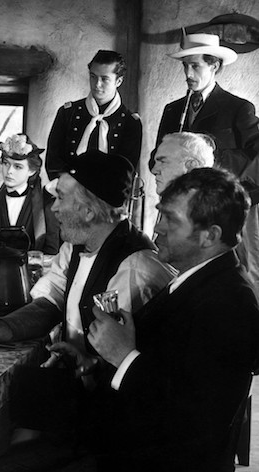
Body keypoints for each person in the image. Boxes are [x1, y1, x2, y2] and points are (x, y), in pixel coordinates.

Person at [0, 150, 175, 470]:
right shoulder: (76, 246)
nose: (53, 208)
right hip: (78, 390)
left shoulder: (136, 267)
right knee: (22, 395)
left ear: (89, 211)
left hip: (113, 422)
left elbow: (127, 366)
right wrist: (2, 328)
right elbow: (51, 300)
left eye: (61, 198)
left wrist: (86, 365)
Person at [88, 167, 259, 471]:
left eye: (171, 219)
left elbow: (195, 421)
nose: (158, 227)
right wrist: (99, 361)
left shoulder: (229, 302)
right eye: (160, 214)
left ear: (210, 236)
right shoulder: (197, 279)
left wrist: (123, 357)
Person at [151, 32, 259, 295]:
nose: (188, 73)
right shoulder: (173, 110)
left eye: (196, 66)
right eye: (185, 66)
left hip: (223, 209)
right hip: (183, 209)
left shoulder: (238, 108)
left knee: (240, 276)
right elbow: (158, 155)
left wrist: (209, 158)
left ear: (215, 66)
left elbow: (255, 156)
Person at [45, 50, 142, 180]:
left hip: (108, 192)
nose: (97, 84)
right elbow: (53, 163)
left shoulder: (130, 123)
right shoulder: (68, 113)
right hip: (67, 189)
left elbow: (126, 173)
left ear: (118, 81)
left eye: (104, 79)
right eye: (93, 76)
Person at [0, 133, 60, 254]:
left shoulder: (46, 205)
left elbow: (51, 252)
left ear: (31, 171)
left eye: (18, 167)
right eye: (6, 163)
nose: (9, 171)